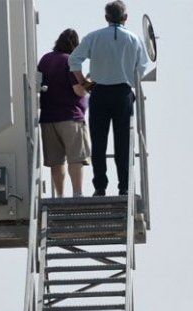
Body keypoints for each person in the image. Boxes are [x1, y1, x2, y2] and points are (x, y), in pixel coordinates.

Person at [68, 1, 149, 196]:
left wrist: (85, 84)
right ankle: (124, 187)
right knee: (123, 143)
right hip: (123, 93)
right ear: (125, 18)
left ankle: (100, 186)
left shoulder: (94, 37)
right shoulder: (134, 39)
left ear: (106, 18)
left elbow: (73, 60)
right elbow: (142, 68)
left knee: (99, 142)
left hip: (100, 93)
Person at [39, 29, 91, 198]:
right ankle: (77, 193)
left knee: (56, 161)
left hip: (48, 118)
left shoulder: (45, 59)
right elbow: (79, 91)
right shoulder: (70, 61)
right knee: (76, 158)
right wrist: (90, 82)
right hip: (70, 117)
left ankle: (59, 196)